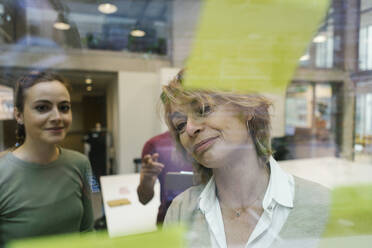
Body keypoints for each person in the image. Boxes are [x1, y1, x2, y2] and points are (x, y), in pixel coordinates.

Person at [161, 71, 330, 248]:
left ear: (246, 109)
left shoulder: (322, 205)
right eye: (180, 125)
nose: (190, 128)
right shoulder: (180, 211)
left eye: (203, 109)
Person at [0, 72, 94, 247]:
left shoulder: (82, 164)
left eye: (64, 107)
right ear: (18, 115)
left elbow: (87, 232)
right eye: (42, 108)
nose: (57, 117)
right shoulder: (3, 173)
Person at [137, 131, 193, 224]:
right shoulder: (155, 145)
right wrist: (147, 180)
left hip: (207, 222)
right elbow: (144, 199)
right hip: (169, 221)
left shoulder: (206, 140)